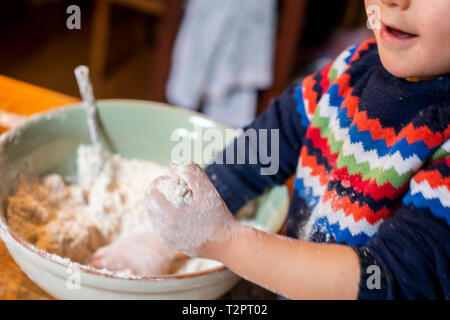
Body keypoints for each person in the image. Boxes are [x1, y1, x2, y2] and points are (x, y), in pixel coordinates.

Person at [95, 0, 450, 299]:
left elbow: (389, 279)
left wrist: (227, 242)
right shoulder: (351, 70)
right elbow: (268, 142)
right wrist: (167, 238)